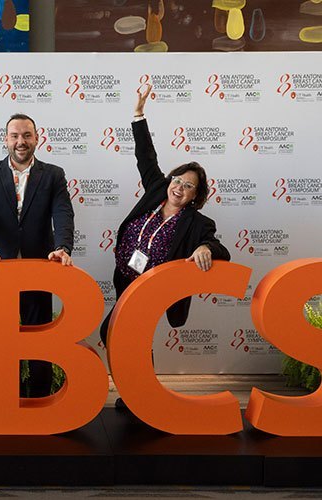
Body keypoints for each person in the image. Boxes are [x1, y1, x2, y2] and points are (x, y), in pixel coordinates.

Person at [101, 85, 231, 381]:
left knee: (119, 331)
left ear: (196, 195)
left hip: (152, 288)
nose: (179, 187)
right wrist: (138, 114)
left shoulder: (198, 222)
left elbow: (219, 247)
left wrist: (205, 249)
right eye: (178, 180)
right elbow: (146, 157)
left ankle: (137, 388)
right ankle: (137, 389)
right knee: (128, 335)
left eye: (188, 186)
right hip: (125, 277)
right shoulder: (156, 190)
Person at [0, 113, 75, 397]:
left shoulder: (53, 175)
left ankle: (40, 402)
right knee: (1, 342)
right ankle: (5, 400)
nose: (21, 141)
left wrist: (63, 246)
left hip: (37, 270)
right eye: (14, 135)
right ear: (6, 139)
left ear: (37, 138)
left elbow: (62, 212)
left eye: (27, 135)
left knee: (39, 341)